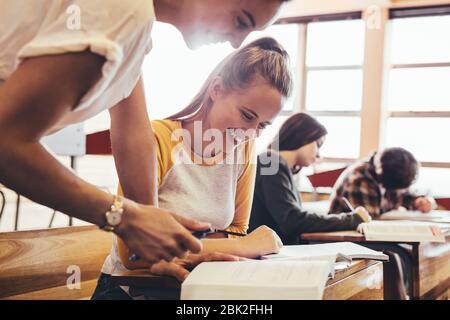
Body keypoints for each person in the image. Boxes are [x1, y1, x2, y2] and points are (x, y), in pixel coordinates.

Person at [0, 0, 291, 264]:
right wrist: (124, 217)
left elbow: (130, 131)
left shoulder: (137, 31)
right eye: (241, 21)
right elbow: (5, 141)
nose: (236, 42)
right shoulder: (123, 11)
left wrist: (154, 243)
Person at [92, 37, 292, 299]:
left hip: (197, 285)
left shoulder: (244, 152)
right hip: (131, 290)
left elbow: (235, 231)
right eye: (247, 116)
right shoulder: (158, 139)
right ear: (216, 89)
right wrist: (243, 246)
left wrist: (224, 245)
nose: (250, 134)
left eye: (263, 126)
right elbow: (135, 253)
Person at [248, 113, 371, 245]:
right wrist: (352, 219)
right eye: (318, 144)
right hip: (273, 253)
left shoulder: (274, 164)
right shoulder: (271, 164)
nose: (318, 155)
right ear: (302, 136)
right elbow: (292, 221)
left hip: (278, 249)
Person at [329, 147, 436, 218]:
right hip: (346, 237)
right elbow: (369, 221)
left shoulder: (390, 169)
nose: (401, 191)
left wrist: (420, 202)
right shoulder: (359, 179)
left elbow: (405, 197)